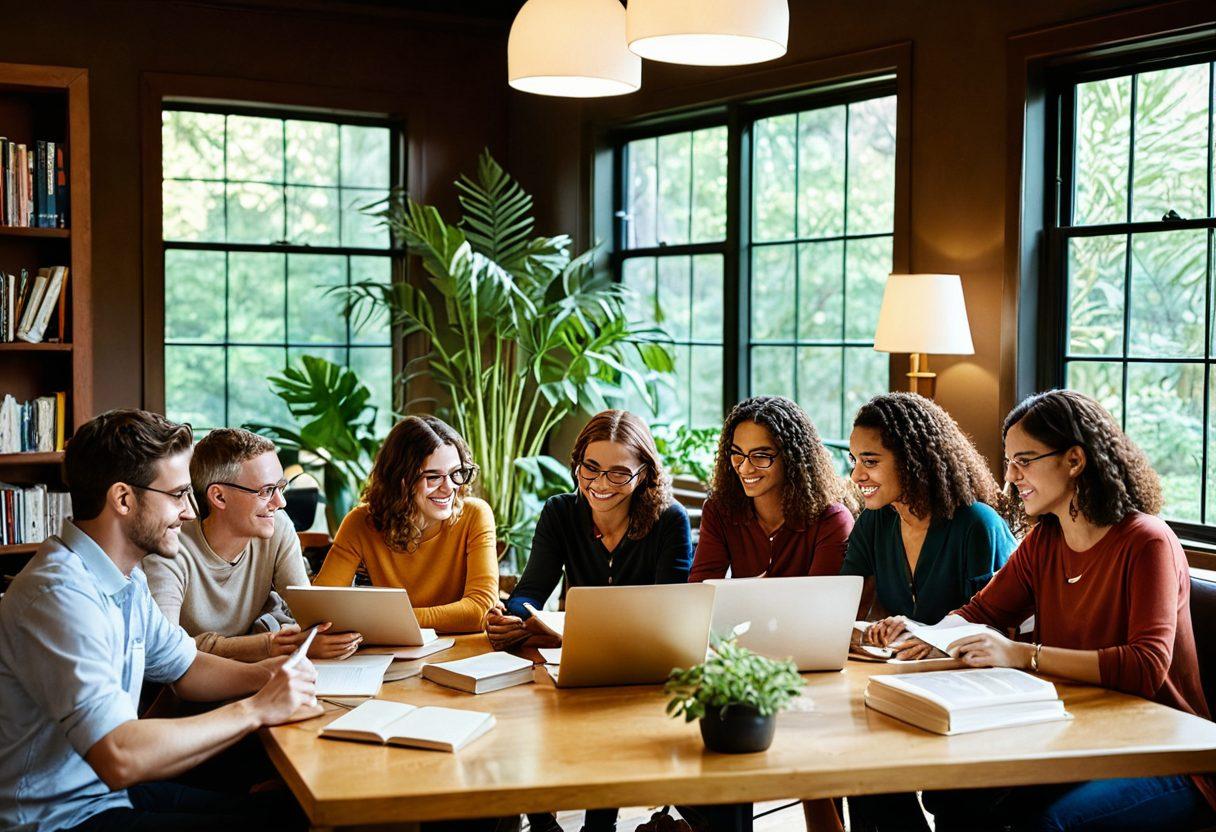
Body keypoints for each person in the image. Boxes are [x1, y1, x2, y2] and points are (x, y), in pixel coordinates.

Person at [909, 390, 1216, 831]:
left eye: (1025, 460)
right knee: (957, 794)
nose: (1010, 476)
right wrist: (922, 632)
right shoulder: (1044, 541)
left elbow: (1146, 667)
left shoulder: (1147, 541)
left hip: (1167, 751)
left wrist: (1021, 655)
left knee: (1051, 825)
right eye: (1010, 461)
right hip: (1082, 734)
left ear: (1074, 460)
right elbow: (982, 611)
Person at [0, 409, 319, 831]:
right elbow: (119, 755)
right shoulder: (61, 597)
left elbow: (185, 667)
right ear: (124, 499)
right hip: (56, 818)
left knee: (288, 807)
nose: (190, 511)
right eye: (177, 495)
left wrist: (270, 673)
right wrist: (257, 709)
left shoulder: (124, 577)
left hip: (102, 793)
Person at [485, 409, 692, 832]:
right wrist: (512, 615)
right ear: (577, 462)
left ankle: (598, 825)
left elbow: (670, 613)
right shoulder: (561, 512)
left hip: (641, 668)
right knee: (519, 710)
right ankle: (543, 822)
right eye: (590, 468)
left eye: (619, 474)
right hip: (573, 656)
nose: (599, 484)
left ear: (644, 475)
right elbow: (531, 591)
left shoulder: (670, 520)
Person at [839, 393, 1019, 832]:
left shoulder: (976, 524)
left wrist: (922, 631)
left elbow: (995, 626)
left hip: (972, 696)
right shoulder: (874, 521)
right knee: (863, 769)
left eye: (870, 461)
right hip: (904, 685)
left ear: (913, 460)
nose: (857, 474)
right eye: (854, 460)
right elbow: (843, 602)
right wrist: (862, 632)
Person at [143, 428, 361, 662]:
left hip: (255, 671)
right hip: (190, 686)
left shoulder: (277, 526)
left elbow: (310, 619)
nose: (281, 502)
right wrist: (271, 645)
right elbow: (163, 650)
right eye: (266, 491)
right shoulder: (168, 548)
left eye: (281, 487)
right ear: (219, 497)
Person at [314, 415, 498, 633]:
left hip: (460, 652)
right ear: (401, 480)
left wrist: (381, 621)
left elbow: (479, 611)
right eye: (433, 477)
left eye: (456, 473)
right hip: (388, 654)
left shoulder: (475, 515)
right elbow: (321, 609)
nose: (449, 488)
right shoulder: (361, 523)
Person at [689, 396, 855, 582]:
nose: (744, 468)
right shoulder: (720, 510)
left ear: (792, 459)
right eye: (737, 454)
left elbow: (820, 603)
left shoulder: (832, 520)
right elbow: (701, 592)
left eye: (760, 455)